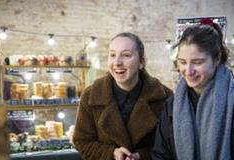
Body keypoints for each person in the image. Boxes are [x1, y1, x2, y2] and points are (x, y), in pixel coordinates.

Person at [152, 19, 234, 160]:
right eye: (183, 62)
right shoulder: (172, 106)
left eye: (197, 62)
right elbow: (161, 154)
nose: (188, 71)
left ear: (217, 59)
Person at [73, 32, 173, 160]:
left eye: (126, 55)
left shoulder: (164, 98)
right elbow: (82, 141)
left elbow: (170, 145)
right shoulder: (90, 96)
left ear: (141, 62)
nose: (117, 62)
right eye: (112, 55)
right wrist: (112, 153)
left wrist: (140, 156)